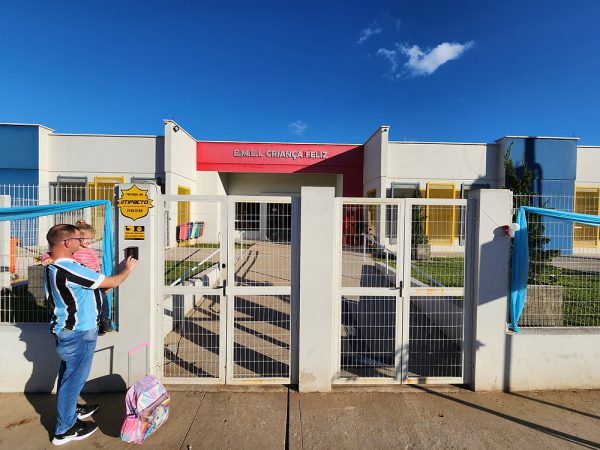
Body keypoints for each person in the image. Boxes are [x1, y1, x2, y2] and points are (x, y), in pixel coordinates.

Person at [44, 224, 137, 445]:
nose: (82, 242)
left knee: (69, 376)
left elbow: (93, 287)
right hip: (78, 333)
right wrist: (127, 269)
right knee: (73, 380)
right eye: (78, 238)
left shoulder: (54, 266)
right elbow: (111, 282)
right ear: (67, 243)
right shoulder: (69, 268)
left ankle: (70, 410)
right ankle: (64, 429)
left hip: (71, 331)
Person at [41, 220, 113, 335]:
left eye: (91, 238)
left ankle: (104, 320)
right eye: (86, 238)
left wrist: (102, 279)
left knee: (102, 300)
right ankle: (92, 322)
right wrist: (45, 258)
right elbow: (50, 253)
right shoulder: (73, 251)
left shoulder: (91, 252)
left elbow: (96, 265)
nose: (90, 241)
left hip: (93, 278)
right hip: (80, 280)